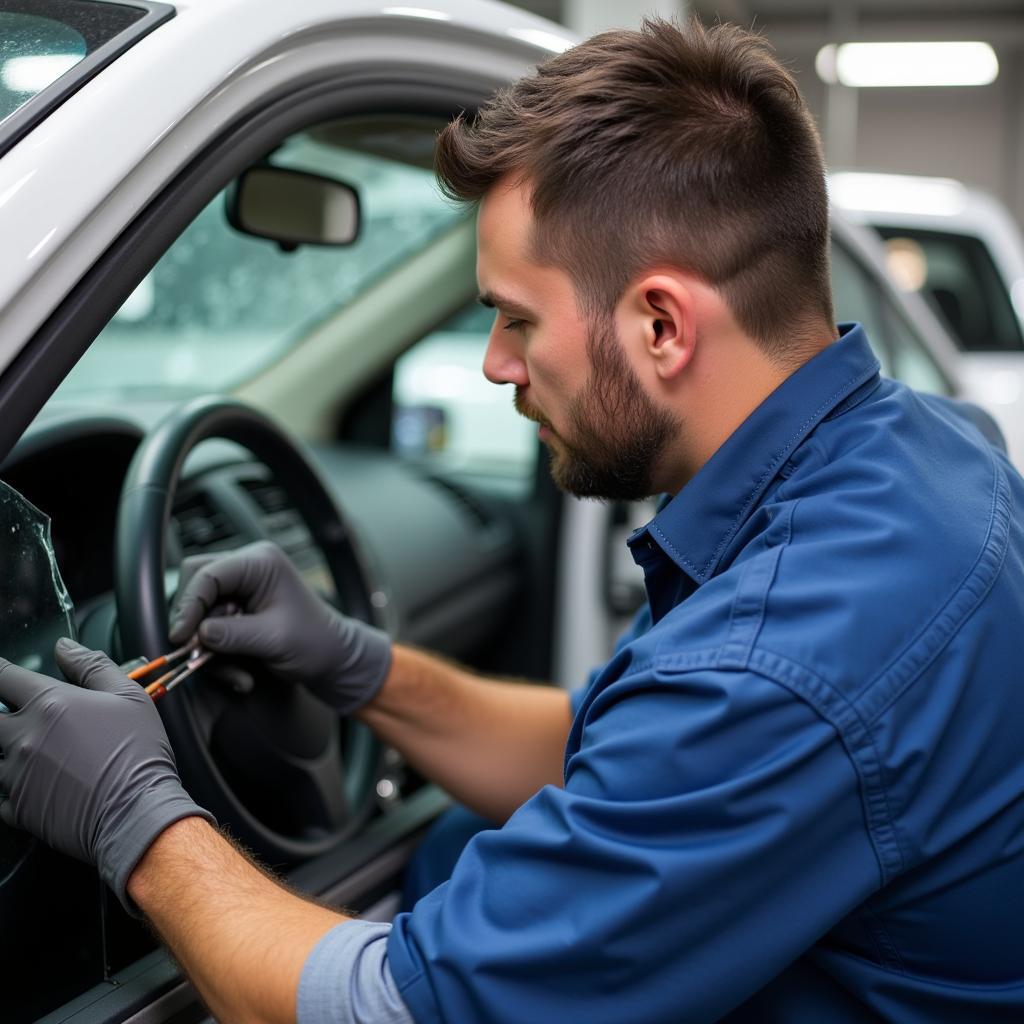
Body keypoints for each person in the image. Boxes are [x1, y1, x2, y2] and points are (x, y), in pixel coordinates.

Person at [0, 16, 1022, 1024]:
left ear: (661, 324)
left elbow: (391, 1012)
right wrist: (360, 667)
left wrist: (134, 815)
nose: (493, 362)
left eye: (517, 317)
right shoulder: (920, 447)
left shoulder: (780, 661)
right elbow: (619, 754)